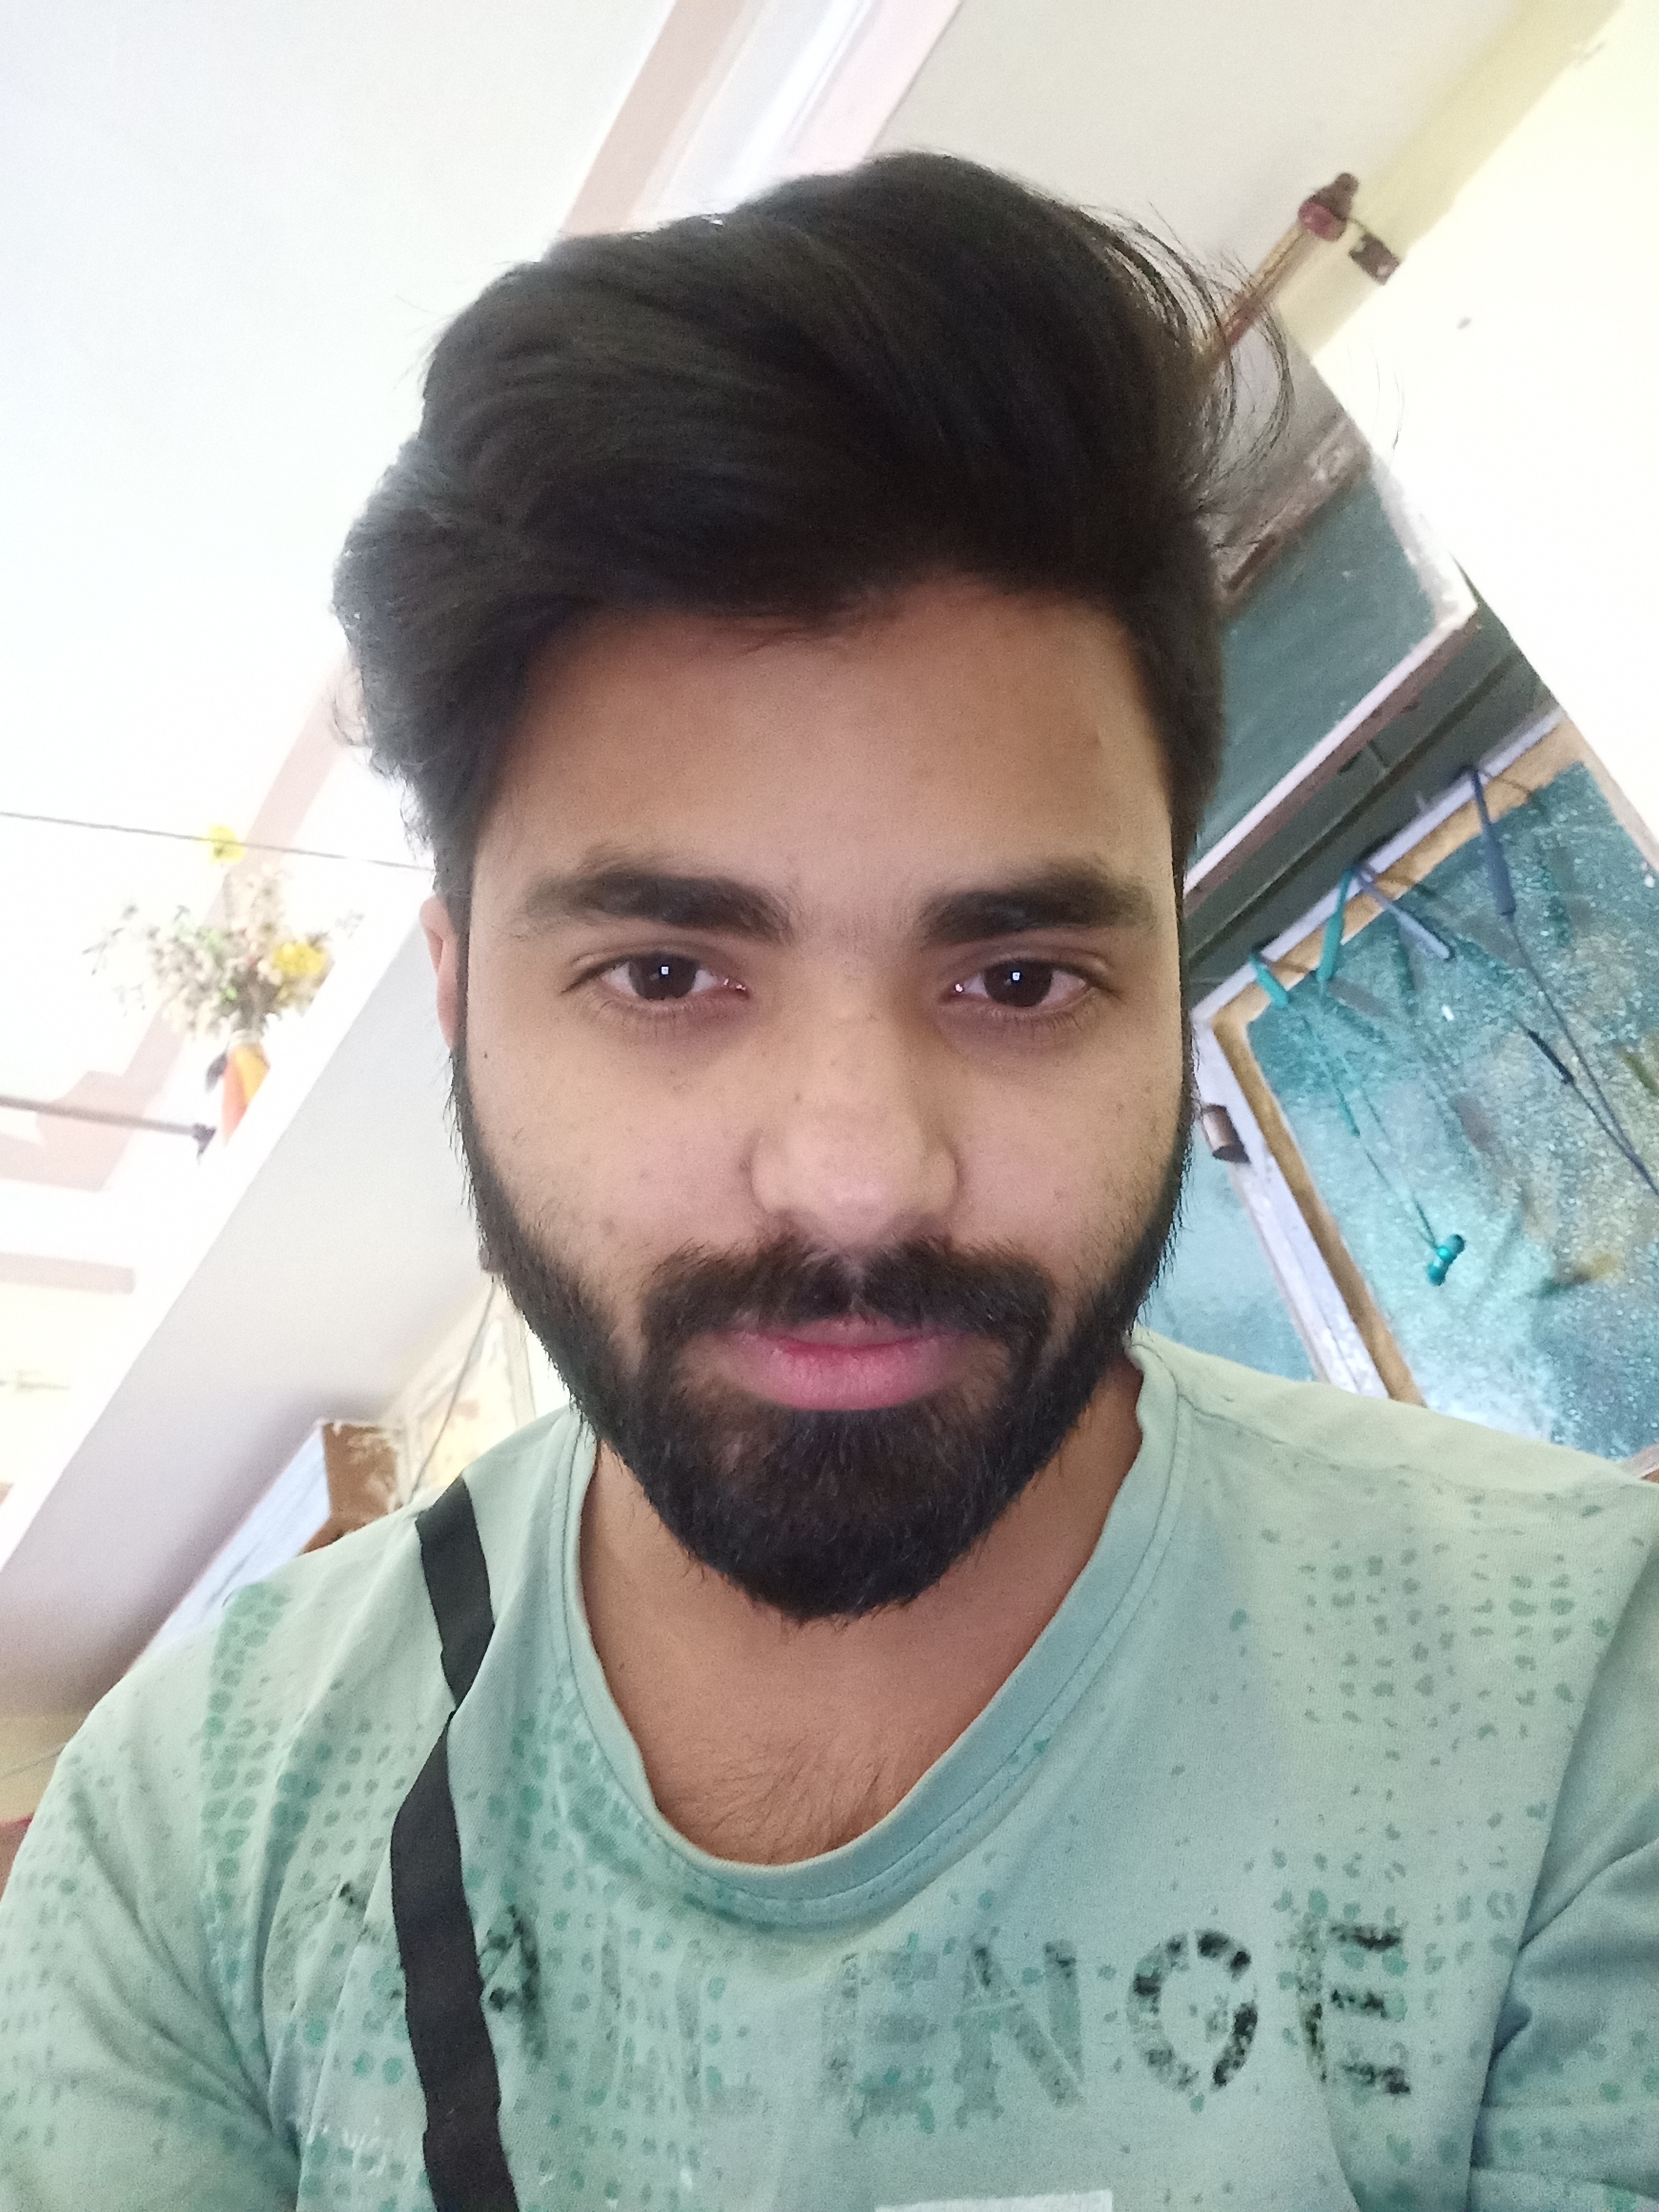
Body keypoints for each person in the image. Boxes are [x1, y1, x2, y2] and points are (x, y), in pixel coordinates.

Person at [0, 153, 1655, 2212]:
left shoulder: (1582, 1697)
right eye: (667, 974)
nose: (860, 1179)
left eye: (1019, 977)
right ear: (459, 998)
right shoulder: (191, 1840)